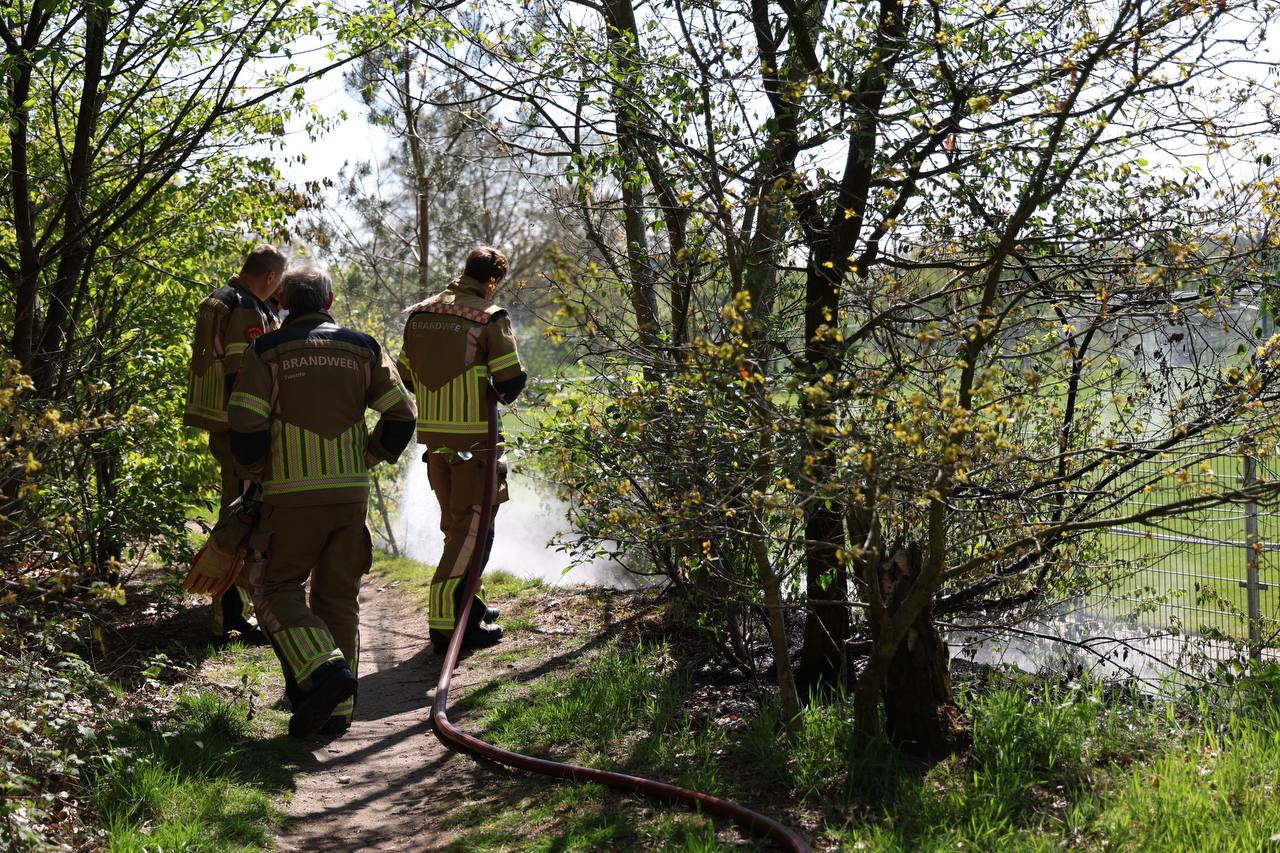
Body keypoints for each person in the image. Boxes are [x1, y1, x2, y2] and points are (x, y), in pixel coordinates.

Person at [227, 264, 416, 738]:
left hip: (289, 498)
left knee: (274, 589)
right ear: (329, 302)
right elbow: (402, 413)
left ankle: (325, 671)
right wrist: (368, 456)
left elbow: (246, 424)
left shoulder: (265, 350)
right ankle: (335, 712)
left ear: (286, 304)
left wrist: (255, 474)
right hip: (349, 495)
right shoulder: (364, 347)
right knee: (338, 595)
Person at [397, 246, 527, 653]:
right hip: (477, 445)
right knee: (473, 535)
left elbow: (405, 372)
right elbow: (510, 383)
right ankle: (446, 626)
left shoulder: (420, 314)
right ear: (492, 280)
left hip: (436, 445)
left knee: (457, 529)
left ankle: (469, 607)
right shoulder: (490, 318)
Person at [183, 243, 286, 640]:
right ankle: (232, 617)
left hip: (224, 426)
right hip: (240, 430)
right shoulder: (244, 306)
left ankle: (231, 612)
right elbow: (243, 375)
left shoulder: (220, 297)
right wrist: (256, 430)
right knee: (245, 515)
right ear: (271, 278)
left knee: (239, 509)